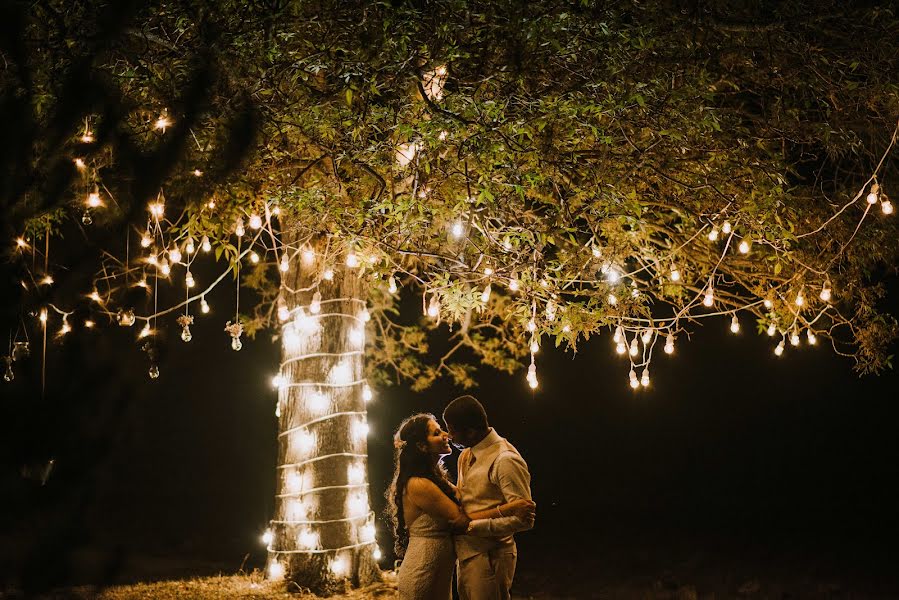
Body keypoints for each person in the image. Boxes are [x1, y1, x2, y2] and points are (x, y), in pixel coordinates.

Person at [386, 413, 536, 600]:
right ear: (422, 446)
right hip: (423, 569)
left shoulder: (436, 477)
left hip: (440, 570)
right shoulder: (419, 484)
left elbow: (465, 501)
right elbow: (461, 516)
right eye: (436, 433)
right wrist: (507, 509)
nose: (446, 435)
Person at [443, 395, 534, 600]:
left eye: (452, 430)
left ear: (471, 431)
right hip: (467, 554)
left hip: (492, 557)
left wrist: (473, 527)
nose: (449, 436)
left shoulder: (506, 461)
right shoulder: (466, 455)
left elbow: (524, 520)